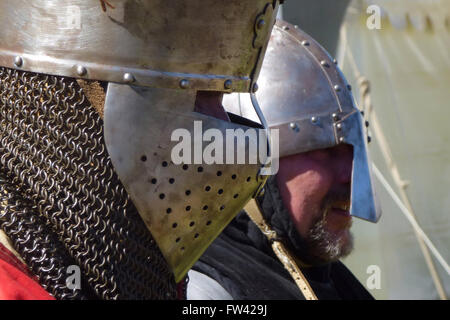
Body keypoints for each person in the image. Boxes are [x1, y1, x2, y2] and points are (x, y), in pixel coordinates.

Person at [0, 0, 281, 299]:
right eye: (193, 92)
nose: (222, 123)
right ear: (79, 93)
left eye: (222, 98)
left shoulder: (137, 266)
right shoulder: (12, 285)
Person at [188, 20, 381, 300]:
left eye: (353, 153)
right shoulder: (207, 292)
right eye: (325, 151)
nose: (350, 178)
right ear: (252, 166)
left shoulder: (333, 281)